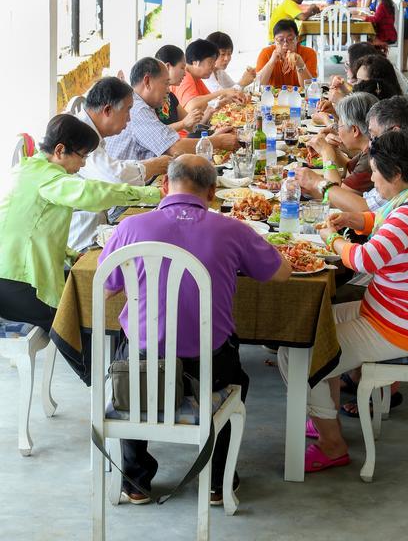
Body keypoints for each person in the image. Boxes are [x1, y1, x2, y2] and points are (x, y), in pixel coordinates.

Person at [100, 155, 291, 503]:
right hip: (209, 371)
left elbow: (105, 286)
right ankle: (218, 480)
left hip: (143, 369)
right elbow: (281, 274)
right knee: (238, 378)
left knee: (130, 354)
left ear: (164, 185)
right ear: (213, 192)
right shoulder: (233, 230)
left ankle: (136, 480)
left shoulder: (131, 228)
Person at [278, 129, 408, 473]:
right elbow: (379, 221)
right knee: (311, 326)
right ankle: (324, 415)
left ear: (396, 175)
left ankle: (333, 443)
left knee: (295, 353)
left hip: (400, 326)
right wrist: (353, 219)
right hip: (391, 311)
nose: (370, 177)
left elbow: (365, 260)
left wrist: (331, 239)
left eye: (375, 172)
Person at [0, 114, 160, 337]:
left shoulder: (32, 169)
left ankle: (113, 364)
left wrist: (70, 255)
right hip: (18, 284)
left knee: (93, 291)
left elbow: (34, 231)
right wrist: (153, 194)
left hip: (12, 275)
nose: (84, 163)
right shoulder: (48, 178)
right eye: (82, 156)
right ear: (59, 150)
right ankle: (99, 370)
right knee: (85, 314)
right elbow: (91, 194)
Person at [296, 95, 408, 255]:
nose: (369, 143)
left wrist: (318, 183)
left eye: (374, 135)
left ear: (394, 132)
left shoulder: (406, 170)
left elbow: (365, 212)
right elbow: (375, 215)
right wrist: (349, 219)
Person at [68, 77, 172, 251]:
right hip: (81, 240)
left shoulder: (88, 130)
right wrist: (151, 166)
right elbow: (113, 177)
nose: (129, 119)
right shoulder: (80, 135)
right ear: (108, 110)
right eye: (127, 110)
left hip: (97, 225)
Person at [106, 58, 239, 162]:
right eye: (166, 83)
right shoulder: (137, 108)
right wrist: (219, 141)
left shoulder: (143, 104)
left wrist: (211, 139)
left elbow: (179, 135)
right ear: (147, 82)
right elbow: (175, 148)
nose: (169, 89)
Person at [307, 93, 377, 197]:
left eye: (339, 125)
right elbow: (347, 170)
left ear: (354, 130)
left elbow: (336, 197)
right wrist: (333, 149)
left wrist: (326, 154)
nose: (336, 130)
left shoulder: (372, 157)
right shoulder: (370, 145)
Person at [170, 39, 244, 115]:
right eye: (210, 62)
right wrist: (223, 92)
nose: (213, 66)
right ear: (195, 62)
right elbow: (192, 106)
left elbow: (209, 102)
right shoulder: (184, 76)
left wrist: (225, 99)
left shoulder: (197, 78)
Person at [154, 45, 204, 133]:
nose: (185, 74)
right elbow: (156, 134)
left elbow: (191, 127)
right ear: (167, 67)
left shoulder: (171, 97)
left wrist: (209, 111)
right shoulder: (150, 99)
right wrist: (183, 123)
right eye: (182, 68)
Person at [256, 19, 318, 88]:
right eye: (280, 40)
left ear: (297, 39)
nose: (285, 44)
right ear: (274, 41)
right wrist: (271, 62)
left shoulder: (309, 53)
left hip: (300, 97)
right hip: (272, 97)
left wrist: (300, 65)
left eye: (290, 39)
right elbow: (258, 85)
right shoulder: (266, 53)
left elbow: (310, 88)